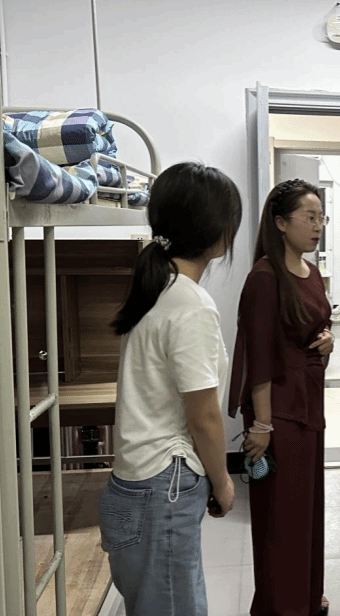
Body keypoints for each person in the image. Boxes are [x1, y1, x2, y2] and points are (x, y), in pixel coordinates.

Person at [98, 162, 242, 615]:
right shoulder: (191, 303)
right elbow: (203, 414)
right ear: (219, 231)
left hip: (132, 483)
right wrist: (223, 482)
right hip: (166, 485)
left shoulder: (156, 287)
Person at [228, 178, 335, 616]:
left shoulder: (311, 273)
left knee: (307, 511)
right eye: (309, 217)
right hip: (278, 411)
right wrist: (261, 424)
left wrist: (327, 340)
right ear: (280, 222)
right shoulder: (265, 277)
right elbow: (258, 356)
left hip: (308, 403)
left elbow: (314, 326)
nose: (318, 226)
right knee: (281, 519)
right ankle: (281, 605)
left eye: (321, 217)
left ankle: (305, 597)